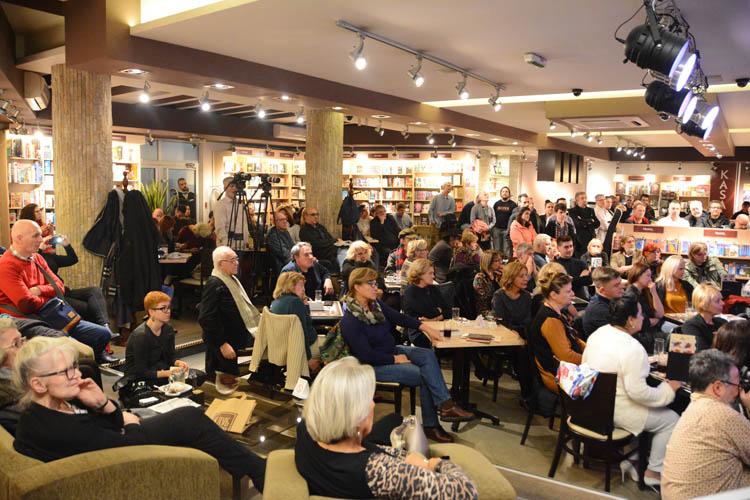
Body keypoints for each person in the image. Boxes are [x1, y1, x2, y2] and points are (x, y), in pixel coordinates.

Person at [12, 336, 266, 491]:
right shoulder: (56, 428)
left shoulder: (54, 404)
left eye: (75, 366)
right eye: (67, 371)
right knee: (192, 421)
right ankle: (259, 472)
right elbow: (128, 447)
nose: (77, 375)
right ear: (38, 384)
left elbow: (112, 422)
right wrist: (130, 423)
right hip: (125, 461)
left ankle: (252, 470)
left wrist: (103, 404)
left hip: (119, 439)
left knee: (189, 416)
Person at [294, 357, 478, 499]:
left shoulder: (305, 430)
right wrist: (437, 463)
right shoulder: (379, 472)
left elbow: (362, 450)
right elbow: (467, 492)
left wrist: (403, 457)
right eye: (369, 400)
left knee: (394, 420)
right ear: (355, 416)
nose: (373, 405)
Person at [340, 268, 474, 443]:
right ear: (356, 287)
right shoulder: (350, 320)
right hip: (372, 365)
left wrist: (425, 328)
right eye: (371, 284)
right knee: (424, 375)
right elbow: (365, 355)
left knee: (427, 355)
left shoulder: (375, 305)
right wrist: (395, 359)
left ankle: (446, 406)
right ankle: (432, 424)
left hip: (390, 350)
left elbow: (399, 317)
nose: (376, 288)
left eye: (376, 283)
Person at [583, 295, 680, 488]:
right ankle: (653, 471)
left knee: (649, 410)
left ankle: (633, 460)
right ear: (630, 320)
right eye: (640, 314)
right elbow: (639, 393)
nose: (643, 318)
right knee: (671, 419)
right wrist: (667, 389)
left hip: (594, 404)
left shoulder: (598, 334)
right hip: (617, 411)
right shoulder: (632, 348)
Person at [0, 220, 112, 364]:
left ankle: (92, 363)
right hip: (31, 321)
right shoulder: (6, 265)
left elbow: (59, 287)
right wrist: (48, 296)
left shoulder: (37, 258)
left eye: (40, 235)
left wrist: (39, 290)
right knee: (78, 350)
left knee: (103, 334)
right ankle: (80, 368)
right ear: (19, 238)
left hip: (52, 314)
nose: (41, 240)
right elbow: (26, 304)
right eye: (35, 236)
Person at [661, 350, 750, 499]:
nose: (739, 389)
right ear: (718, 387)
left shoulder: (696, 405)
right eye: (737, 384)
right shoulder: (724, 416)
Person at [199, 246, 260, 378]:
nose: (237, 263)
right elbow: (206, 318)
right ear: (220, 264)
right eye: (232, 260)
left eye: (236, 259)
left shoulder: (230, 279)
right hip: (223, 341)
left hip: (235, 337)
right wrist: (222, 344)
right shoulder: (215, 284)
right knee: (223, 380)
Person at [528, 273, 585, 394]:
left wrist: (591, 351)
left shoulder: (556, 313)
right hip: (559, 377)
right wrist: (592, 360)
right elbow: (566, 357)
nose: (573, 294)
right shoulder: (550, 321)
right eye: (568, 291)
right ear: (554, 295)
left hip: (567, 371)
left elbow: (575, 340)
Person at [123, 291, 192, 385]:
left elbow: (170, 357)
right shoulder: (140, 336)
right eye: (163, 308)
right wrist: (170, 373)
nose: (168, 311)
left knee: (197, 376)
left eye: (168, 307)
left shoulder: (168, 329)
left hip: (160, 372)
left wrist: (178, 363)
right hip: (139, 381)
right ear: (151, 312)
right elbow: (142, 373)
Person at [270, 272, 321, 373]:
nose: (304, 289)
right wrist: (308, 359)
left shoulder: (276, 302)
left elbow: (306, 317)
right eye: (301, 285)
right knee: (338, 347)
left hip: (283, 348)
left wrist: (304, 299)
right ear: (291, 286)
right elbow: (302, 333)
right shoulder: (295, 302)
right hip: (306, 347)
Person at [402, 259, 452, 348]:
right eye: (430, 273)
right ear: (419, 274)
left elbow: (449, 311)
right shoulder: (410, 292)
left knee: (458, 340)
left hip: (438, 327)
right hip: (419, 332)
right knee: (446, 342)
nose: (433, 276)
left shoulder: (433, 289)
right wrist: (439, 311)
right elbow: (429, 313)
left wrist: (435, 319)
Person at [623, 262, 664, 354]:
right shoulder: (631, 294)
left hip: (651, 331)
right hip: (641, 334)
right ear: (638, 276)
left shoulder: (645, 291)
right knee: (672, 338)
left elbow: (660, 314)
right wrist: (652, 320)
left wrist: (654, 293)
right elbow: (643, 322)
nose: (651, 279)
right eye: (647, 276)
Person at [492, 261, 532, 338]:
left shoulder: (526, 296)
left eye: (526, 275)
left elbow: (527, 322)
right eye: (521, 276)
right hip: (505, 336)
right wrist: (512, 331)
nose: (526, 279)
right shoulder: (499, 296)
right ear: (511, 277)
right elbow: (500, 322)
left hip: (523, 336)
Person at [582, 266, 623, 339]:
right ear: (602, 290)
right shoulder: (598, 310)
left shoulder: (612, 299)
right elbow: (620, 336)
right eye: (616, 285)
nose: (621, 287)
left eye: (620, 283)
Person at [299, 207, 345, 273]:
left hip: (328, 249)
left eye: (317, 214)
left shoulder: (320, 227)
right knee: (341, 250)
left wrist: (336, 241)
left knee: (346, 247)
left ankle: (344, 271)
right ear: (306, 216)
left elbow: (329, 238)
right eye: (313, 215)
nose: (316, 217)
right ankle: (343, 272)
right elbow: (317, 244)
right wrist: (334, 241)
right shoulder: (304, 230)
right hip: (319, 252)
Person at [682, 284, 726, 352]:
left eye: (721, 299)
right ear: (704, 305)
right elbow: (701, 352)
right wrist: (718, 338)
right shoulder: (691, 326)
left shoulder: (722, 322)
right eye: (717, 301)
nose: (723, 303)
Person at [215, 176, 249, 250]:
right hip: (228, 248)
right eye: (231, 186)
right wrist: (227, 244)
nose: (234, 188)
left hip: (241, 246)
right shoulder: (221, 205)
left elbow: (244, 224)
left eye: (236, 186)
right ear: (225, 188)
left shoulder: (240, 203)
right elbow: (220, 228)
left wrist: (246, 242)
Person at [555, 235, 592, 300]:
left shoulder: (580, 263)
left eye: (571, 246)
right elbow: (560, 283)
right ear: (558, 248)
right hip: (563, 299)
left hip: (580, 298)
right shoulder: (555, 265)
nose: (569, 249)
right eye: (566, 247)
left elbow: (589, 280)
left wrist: (570, 279)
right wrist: (579, 279)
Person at [473, 250, 503, 316]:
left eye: (501, 260)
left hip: (499, 308)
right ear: (488, 262)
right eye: (497, 261)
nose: (500, 263)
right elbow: (483, 300)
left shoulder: (498, 275)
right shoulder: (480, 278)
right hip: (486, 312)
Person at [568, 191, 599, 256]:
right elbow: (578, 224)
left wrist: (583, 220)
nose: (584, 200)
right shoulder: (572, 211)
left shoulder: (591, 210)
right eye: (582, 198)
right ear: (577, 201)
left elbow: (597, 223)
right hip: (580, 240)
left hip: (591, 238)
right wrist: (591, 220)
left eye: (585, 198)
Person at [267, 209, 295, 276]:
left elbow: (293, 248)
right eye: (281, 220)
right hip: (282, 268)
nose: (285, 222)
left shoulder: (284, 231)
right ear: (275, 222)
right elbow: (285, 254)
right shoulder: (274, 235)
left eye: (285, 219)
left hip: (290, 263)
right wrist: (299, 259)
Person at [492, 187, 516, 256]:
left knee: (506, 250)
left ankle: (506, 262)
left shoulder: (513, 205)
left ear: (509, 194)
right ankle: (497, 261)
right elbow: (493, 216)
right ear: (501, 193)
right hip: (497, 229)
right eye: (503, 191)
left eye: (506, 191)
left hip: (507, 230)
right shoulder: (496, 204)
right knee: (497, 249)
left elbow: (514, 218)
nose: (504, 193)